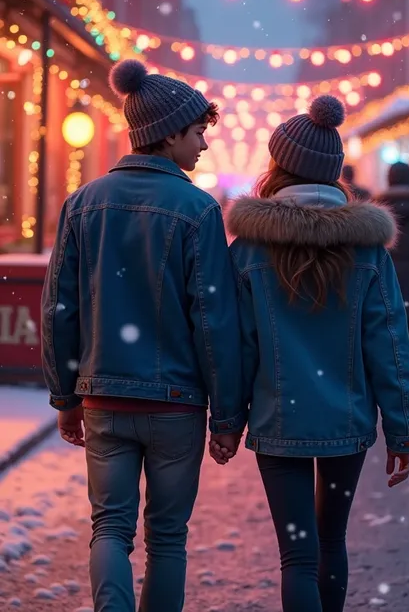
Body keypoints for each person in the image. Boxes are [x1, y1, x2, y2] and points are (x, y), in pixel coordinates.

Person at [41, 60, 245, 612]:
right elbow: (214, 320)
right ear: (169, 132)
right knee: (167, 538)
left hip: (104, 396)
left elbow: (60, 308)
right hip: (177, 403)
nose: (203, 144)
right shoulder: (198, 210)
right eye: (198, 131)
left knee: (109, 527)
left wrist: (65, 395)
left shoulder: (84, 204)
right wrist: (226, 416)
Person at [212, 96, 409, 612]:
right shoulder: (367, 251)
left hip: (278, 421)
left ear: (277, 168)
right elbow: (388, 341)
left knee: (297, 557)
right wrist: (401, 429)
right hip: (346, 420)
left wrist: (228, 420)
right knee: (331, 544)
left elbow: (236, 344)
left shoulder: (249, 252)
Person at [376, 162, 409, 342]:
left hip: (384, 275)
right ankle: (405, 366)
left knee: (385, 330)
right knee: (408, 330)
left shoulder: (378, 208)